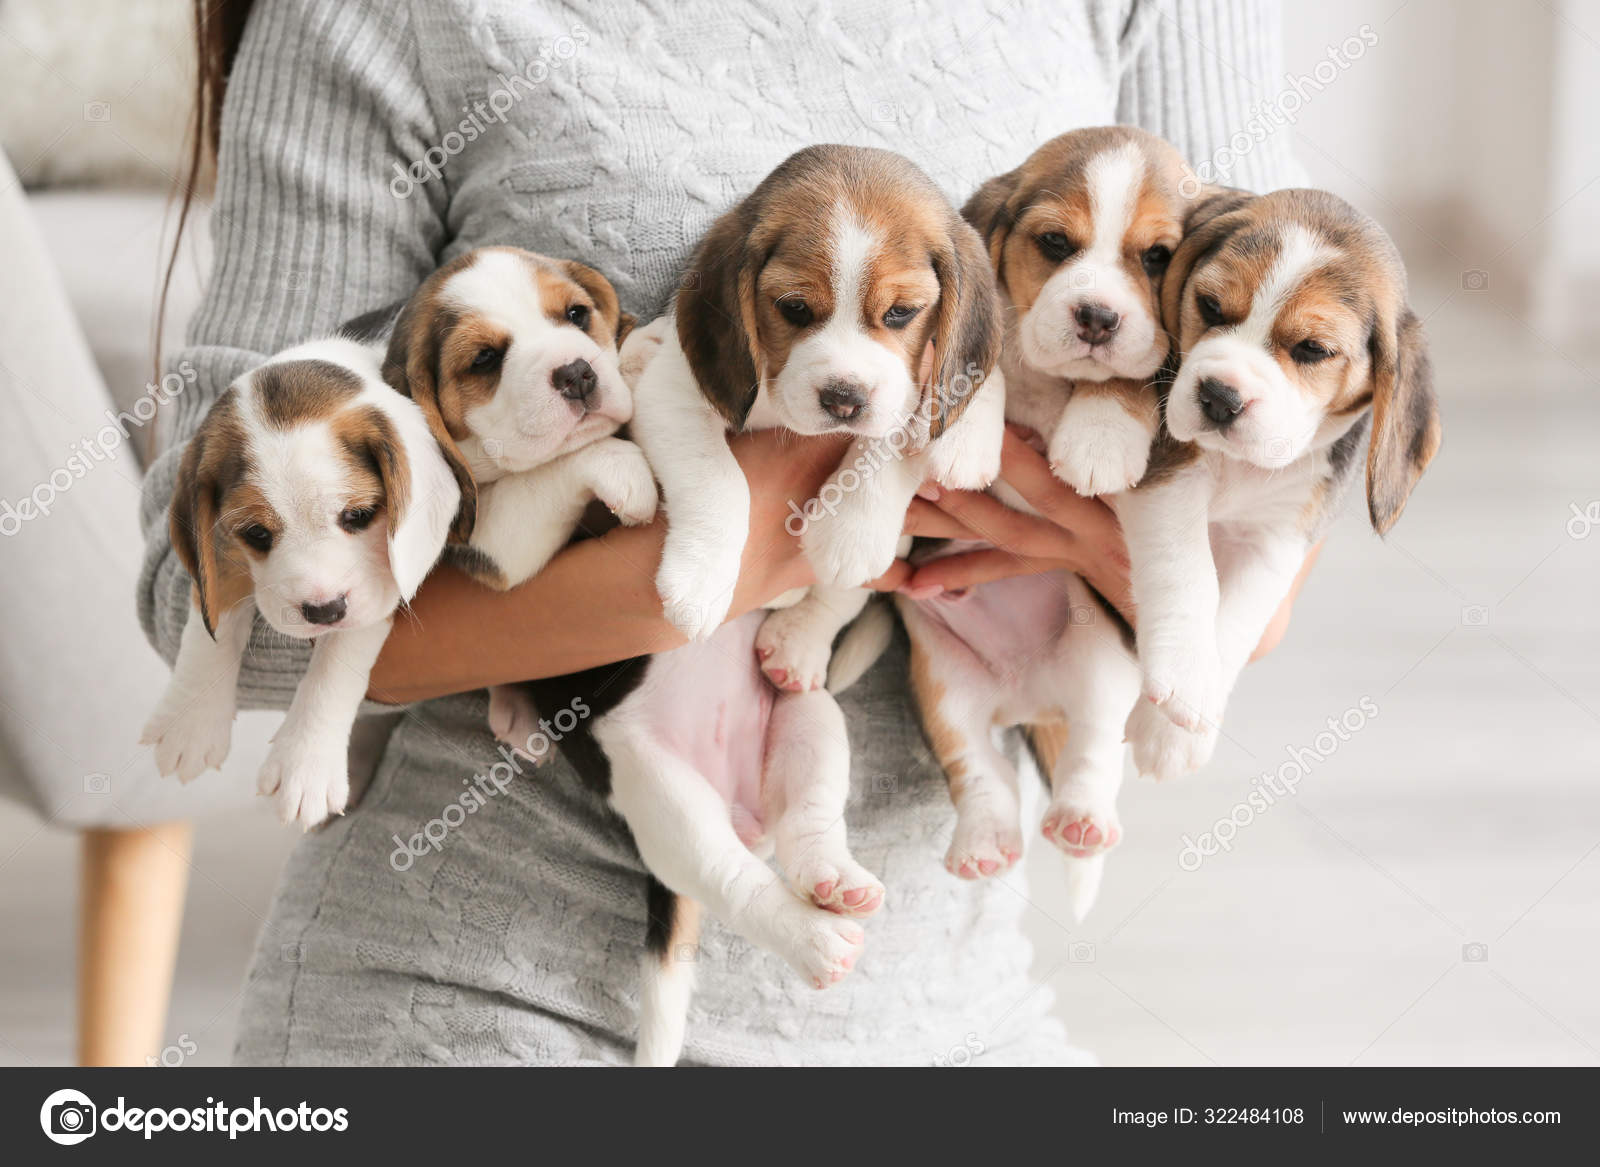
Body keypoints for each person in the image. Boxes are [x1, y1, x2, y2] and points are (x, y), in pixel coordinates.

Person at [140, 0, 1305, 1065]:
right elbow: (198, 590)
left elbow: (1270, 480)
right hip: (482, 989)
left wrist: (1110, 549)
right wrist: (742, 537)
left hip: (947, 1010)